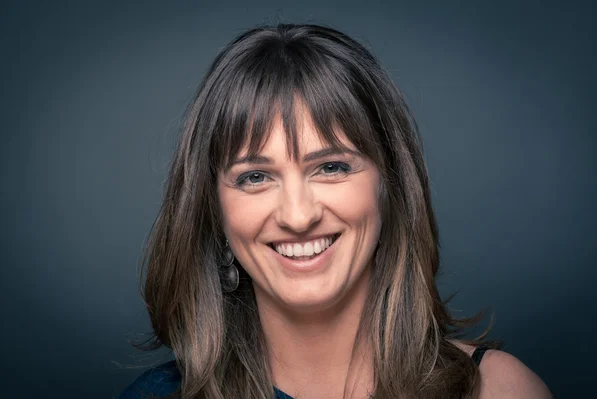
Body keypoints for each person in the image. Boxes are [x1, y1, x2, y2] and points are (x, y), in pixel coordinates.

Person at [119, 23, 551, 398]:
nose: (298, 215)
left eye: (331, 167)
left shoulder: (498, 391)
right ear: (213, 209)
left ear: (390, 186)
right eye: (255, 176)